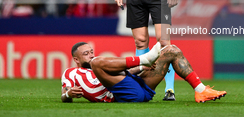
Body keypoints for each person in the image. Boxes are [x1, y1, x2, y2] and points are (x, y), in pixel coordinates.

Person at [61, 42, 226, 103]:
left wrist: (141, 69)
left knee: (171, 50)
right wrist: (68, 95)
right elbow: (63, 95)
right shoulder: (70, 74)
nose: (90, 55)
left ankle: (200, 90)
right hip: (122, 94)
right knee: (98, 62)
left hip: (140, 86)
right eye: (86, 54)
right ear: (76, 60)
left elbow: (122, 73)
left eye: (91, 51)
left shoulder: (99, 63)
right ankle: (144, 58)